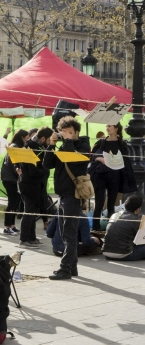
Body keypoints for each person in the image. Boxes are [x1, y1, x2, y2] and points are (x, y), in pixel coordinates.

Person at [43, 116, 91, 280]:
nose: (66, 135)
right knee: (65, 233)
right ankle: (73, 267)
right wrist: (52, 144)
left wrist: (68, 142)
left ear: (76, 132)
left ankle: (65, 269)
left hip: (74, 195)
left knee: (69, 233)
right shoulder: (63, 146)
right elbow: (47, 164)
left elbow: (74, 160)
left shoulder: (83, 145)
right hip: (63, 194)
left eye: (69, 132)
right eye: (64, 132)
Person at [89, 123, 136, 231]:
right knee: (99, 205)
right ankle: (95, 230)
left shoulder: (122, 144)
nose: (107, 128)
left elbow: (125, 161)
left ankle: (110, 230)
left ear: (116, 128)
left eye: (109, 126)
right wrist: (100, 159)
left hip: (115, 177)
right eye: (106, 126)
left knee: (111, 206)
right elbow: (92, 157)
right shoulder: (101, 142)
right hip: (101, 176)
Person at [18, 127, 53, 248]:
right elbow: (33, 171)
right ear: (43, 138)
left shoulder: (36, 146)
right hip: (29, 185)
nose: (50, 143)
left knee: (33, 212)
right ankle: (23, 239)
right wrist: (46, 170)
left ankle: (31, 237)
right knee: (28, 212)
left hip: (36, 185)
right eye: (49, 140)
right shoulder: (31, 148)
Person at [0, 129, 27, 235]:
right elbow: (14, 163)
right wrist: (18, 172)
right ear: (22, 137)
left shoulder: (16, 146)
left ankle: (12, 225)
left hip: (12, 178)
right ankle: (7, 227)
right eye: (27, 138)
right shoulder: (14, 147)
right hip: (10, 179)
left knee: (15, 202)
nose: (27, 140)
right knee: (12, 203)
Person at [102, 195, 145, 261]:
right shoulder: (135, 219)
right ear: (137, 209)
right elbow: (141, 238)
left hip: (106, 253)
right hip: (124, 254)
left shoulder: (114, 215)